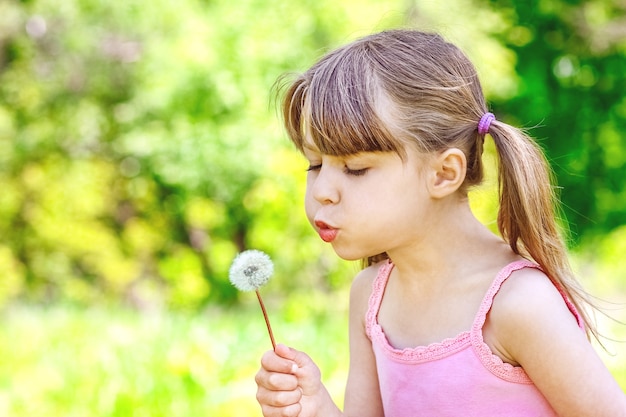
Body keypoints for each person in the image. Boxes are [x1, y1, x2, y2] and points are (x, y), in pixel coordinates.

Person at [254, 29, 626, 416]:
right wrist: (313, 408)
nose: (322, 191)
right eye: (315, 164)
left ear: (444, 173)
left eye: (355, 168)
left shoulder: (517, 305)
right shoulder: (371, 297)